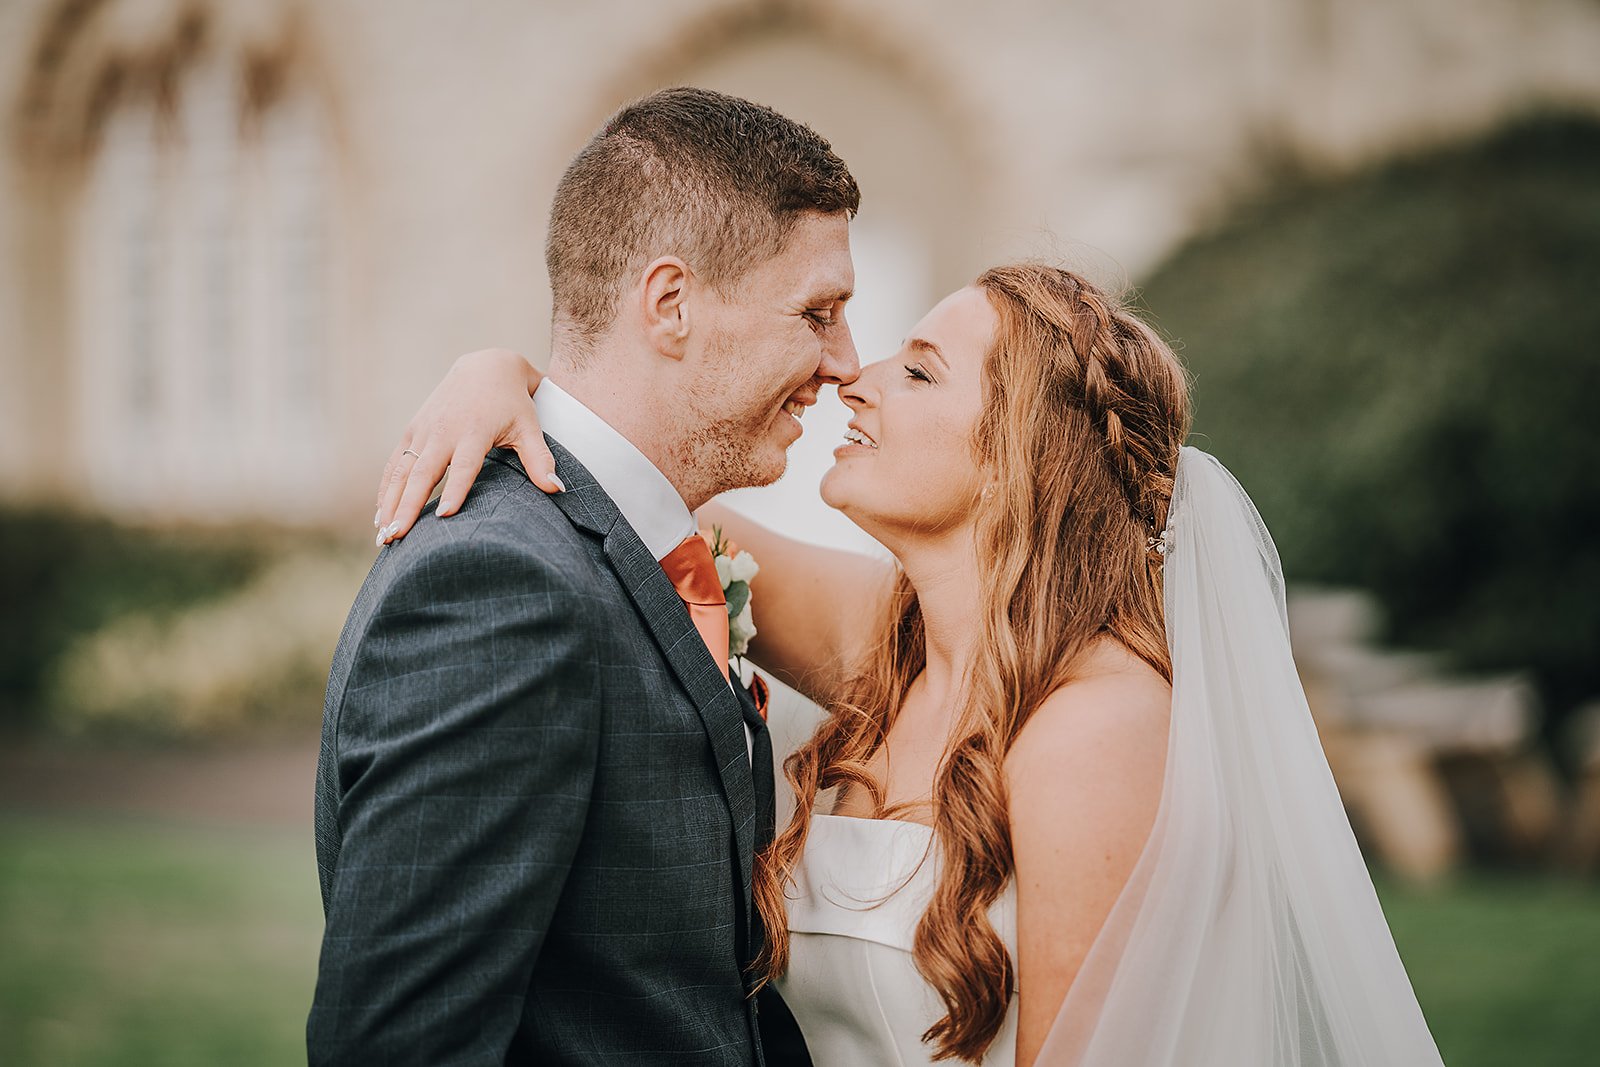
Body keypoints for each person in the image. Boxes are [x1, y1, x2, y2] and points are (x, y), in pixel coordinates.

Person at [379, 263, 1448, 1065]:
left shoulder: (1097, 726)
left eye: (919, 370)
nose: (855, 379)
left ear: (1022, 453)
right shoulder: (885, 649)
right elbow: (648, 496)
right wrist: (502, 378)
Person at [309, 86, 862, 1065]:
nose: (844, 360)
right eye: (816, 313)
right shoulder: (501, 589)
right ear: (669, 303)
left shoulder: (635, 544)